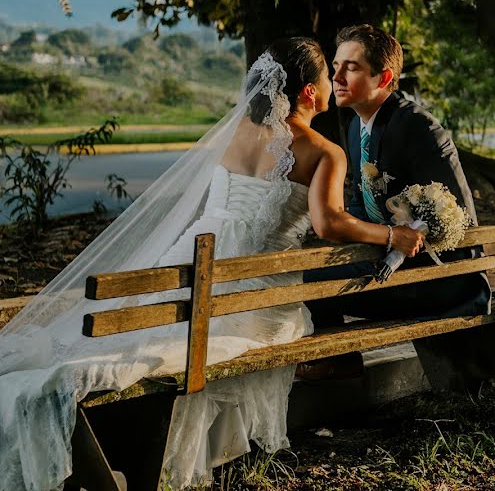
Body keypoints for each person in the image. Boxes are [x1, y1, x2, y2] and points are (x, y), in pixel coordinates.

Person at [0, 37, 424, 491]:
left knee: (149, 324)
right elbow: (329, 223)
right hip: (256, 292)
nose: (333, 83)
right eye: (326, 77)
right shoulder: (323, 152)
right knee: (269, 326)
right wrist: (392, 234)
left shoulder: (235, 131)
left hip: (189, 263)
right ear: (307, 93)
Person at [304, 24, 491, 323]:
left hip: (438, 276)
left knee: (310, 281)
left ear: (384, 77)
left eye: (350, 68)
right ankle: (336, 363)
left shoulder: (417, 127)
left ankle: (335, 364)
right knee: (309, 269)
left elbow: (453, 215)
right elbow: (360, 204)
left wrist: (397, 244)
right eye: (336, 67)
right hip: (389, 259)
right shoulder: (355, 128)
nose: (336, 78)